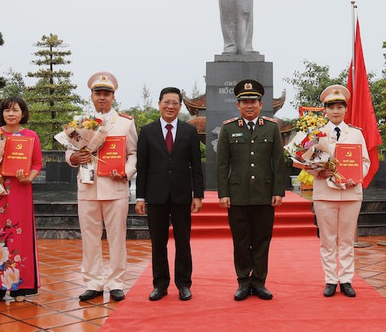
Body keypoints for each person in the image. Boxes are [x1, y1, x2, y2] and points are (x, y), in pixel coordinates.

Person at [68, 72, 137, 302]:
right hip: (88, 186)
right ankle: (93, 282)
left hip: (115, 186)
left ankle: (116, 281)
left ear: (113, 97)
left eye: (106, 94)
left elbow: (134, 153)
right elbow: (69, 150)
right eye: (98, 93)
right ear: (91, 96)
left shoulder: (125, 122)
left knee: (117, 237)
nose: (102, 97)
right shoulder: (78, 122)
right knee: (89, 236)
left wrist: (126, 172)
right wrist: (72, 158)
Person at [217, 79, 284, 300]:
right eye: (244, 101)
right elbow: (223, 164)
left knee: (263, 240)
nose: (249, 105)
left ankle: (260, 281)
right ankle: (244, 281)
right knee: (241, 241)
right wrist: (224, 193)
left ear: (260, 103)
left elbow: (278, 162)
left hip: (264, 195)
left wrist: (278, 191)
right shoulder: (228, 129)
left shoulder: (272, 128)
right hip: (237, 196)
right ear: (238, 105)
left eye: (253, 101)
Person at [135, 87, 204, 302]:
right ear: (159, 104)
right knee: (158, 243)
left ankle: (184, 284)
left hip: (182, 196)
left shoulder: (189, 131)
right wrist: (140, 197)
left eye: (175, 102)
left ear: (180, 106)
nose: (170, 106)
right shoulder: (147, 131)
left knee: (183, 242)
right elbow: (142, 166)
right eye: (167, 102)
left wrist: (198, 195)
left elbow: (196, 165)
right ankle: (160, 284)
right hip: (156, 197)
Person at [305, 85, 369, 298]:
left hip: (351, 193)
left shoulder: (356, 134)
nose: (335, 111)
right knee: (328, 238)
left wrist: (357, 176)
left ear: (345, 109)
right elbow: (306, 162)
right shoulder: (315, 133)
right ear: (325, 110)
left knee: (347, 239)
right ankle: (331, 279)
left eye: (340, 106)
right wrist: (317, 173)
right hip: (325, 193)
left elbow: (365, 162)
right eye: (331, 107)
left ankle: (346, 279)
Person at [0, 96, 42, 302]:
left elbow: (37, 164)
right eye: (7, 110)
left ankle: (19, 287)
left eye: (15, 110)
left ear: (23, 113)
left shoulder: (31, 136)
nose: (11, 114)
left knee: (20, 233)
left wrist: (28, 178)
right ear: (1, 113)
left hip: (20, 189)